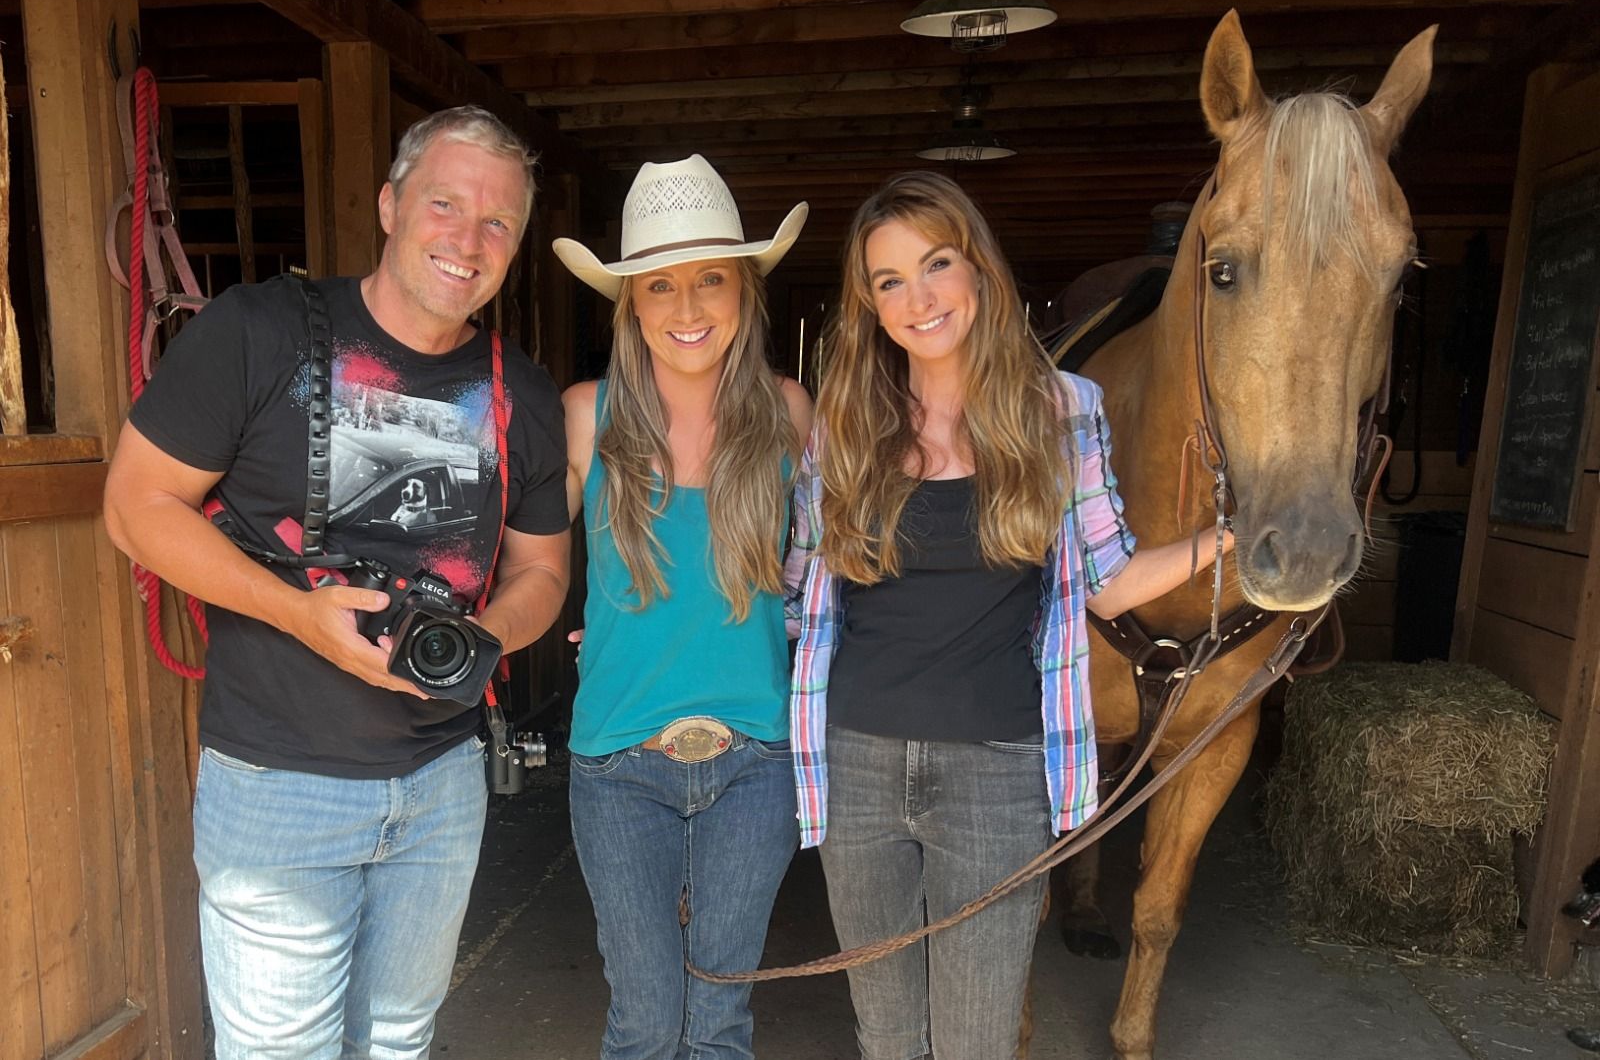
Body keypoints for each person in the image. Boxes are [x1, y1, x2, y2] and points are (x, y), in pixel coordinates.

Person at [102, 106, 571, 1059]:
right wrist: (296, 614)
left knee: (398, 1044)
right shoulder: (260, 331)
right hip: (278, 782)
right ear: (393, 207)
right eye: (447, 204)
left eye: (498, 224)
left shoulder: (518, 389)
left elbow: (542, 569)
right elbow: (135, 505)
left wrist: (490, 640)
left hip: (440, 784)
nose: (469, 239)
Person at [784, 171, 1234, 1059]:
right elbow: (797, 594)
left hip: (997, 773)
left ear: (979, 271)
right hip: (858, 764)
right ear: (870, 306)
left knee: (979, 1036)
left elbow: (1105, 580)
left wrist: (1228, 542)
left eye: (937, 263)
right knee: (885, 1031)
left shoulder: (1063, 412)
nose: (919, 298)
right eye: (889, 281)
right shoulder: (845, 422)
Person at [551, 154, 811, 1060]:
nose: (689, 309)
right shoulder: (587, 414)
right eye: (660, 286)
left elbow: (828, 571)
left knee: (721, 1021)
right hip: (619, 763)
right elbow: (525, 562)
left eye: (711, 281)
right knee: (646, 1021)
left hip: (755, 761)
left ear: (746, 291)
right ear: (630, 304)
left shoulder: (788, 413)